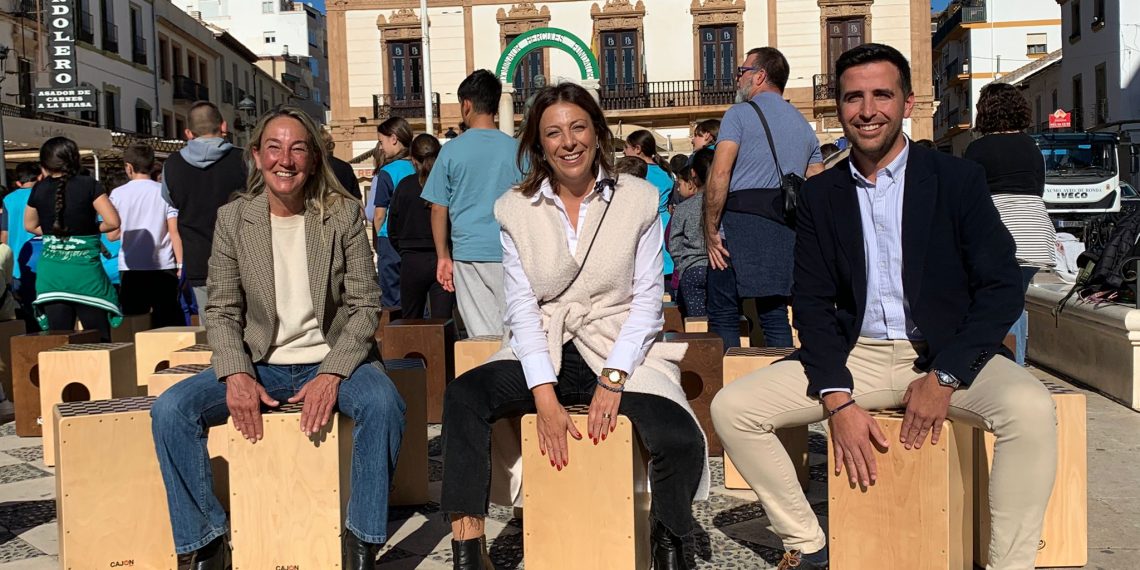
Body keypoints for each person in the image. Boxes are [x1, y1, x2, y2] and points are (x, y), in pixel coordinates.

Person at [711, 44, 1058, 570]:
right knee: (732, 409)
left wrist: (945, 376)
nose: (867, 110)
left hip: (943, 351)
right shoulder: (821, 194)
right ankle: (807, 544)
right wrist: (837, 400)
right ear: (839, 107)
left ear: (908, 103)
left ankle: (1010, 565)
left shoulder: (955, 179)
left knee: (1031, 410)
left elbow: (1001, 286)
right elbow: (811, 303)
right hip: (859, 355)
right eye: (854, 97)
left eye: (882, 95)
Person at [439, 83, 708, 570]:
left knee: (678, 436)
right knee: (464, 396)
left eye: (578, 127)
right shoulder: (515, 208)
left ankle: (668, 544)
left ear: (597, 132)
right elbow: (522, 308)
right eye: (553, 133)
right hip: (547, 342)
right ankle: (469, 549)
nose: (568, 142)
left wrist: (614, 377)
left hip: (614, 343)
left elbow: (648, 301)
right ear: (538, 144)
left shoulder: (638, 198)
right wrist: (544, 395)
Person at [150, 106, 406, 570]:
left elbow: (366, 305)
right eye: (274, 148)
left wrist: (332, 373)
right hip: (260, 361)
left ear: (313, 159)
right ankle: (206, 544)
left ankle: (361, 543)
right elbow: (221, 309)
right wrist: (235, 374)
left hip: (334, 358)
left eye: (297, 149)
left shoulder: (341, 215)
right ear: (256, 156)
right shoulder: (234, 219)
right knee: (171, 411)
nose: (284, 160)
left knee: (384, 404)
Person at [703, 47, 824, 349]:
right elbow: (818, 184)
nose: (737, 78)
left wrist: (710, 229)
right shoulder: (803, 125)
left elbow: (720, 173)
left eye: (742, 72)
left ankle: (727, 376)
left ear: (759, 76)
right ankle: (781, 374)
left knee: (724, 313)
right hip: (783, 228)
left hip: (736, 227)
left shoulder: (738, 114)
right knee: (774, 315)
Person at [422, 69, 523, 337]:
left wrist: (443, 256)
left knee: (482, 333)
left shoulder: (451, 151)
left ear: (466, 105)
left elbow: (438, 207)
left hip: (468, 251)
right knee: (517, 327)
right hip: (511, 250)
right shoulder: (517, 150)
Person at [964, 82, 1056, 366]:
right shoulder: (1032, 147)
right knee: (1015, 300)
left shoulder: (977, 149)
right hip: (1036, 232)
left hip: (999, 230)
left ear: (985, 111)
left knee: (998, 303)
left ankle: (1007, 365)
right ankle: (1015, 363)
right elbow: (1038, 189)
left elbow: (970, 196)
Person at [24, 137, 121, 339]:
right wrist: (89, 230)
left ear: (44, 164)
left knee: (59, 340)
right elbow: (113, 222)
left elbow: (30, 225)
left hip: (51, 277)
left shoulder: (38, 189)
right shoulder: (89, 185)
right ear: (75, 159)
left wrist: (56, 232)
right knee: (99, 340)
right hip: (86, 276)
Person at [162, 101, 247, 313]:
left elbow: (170, 200)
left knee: (212, 324)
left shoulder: (172, 164)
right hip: (241, 256)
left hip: (198, 259)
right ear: (223, 126)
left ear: (188, 133)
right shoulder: (244, 160)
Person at [107, 143, 184, 327]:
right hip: (163, 265)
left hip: (130, 267)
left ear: (129, 167)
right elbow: (174, 231)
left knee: (135, 323)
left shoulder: (117, 194)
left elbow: (111, 235)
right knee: (166, 322)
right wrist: (180, 264)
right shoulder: (164, 192)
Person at [389, 133, 455, 321]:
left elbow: (393, 226)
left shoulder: (404, 186)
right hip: (442, 256)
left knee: (411, 321)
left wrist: (403, 249)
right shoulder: (447, 184)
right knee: (442, 322)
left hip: (411, 259)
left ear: (413, 160)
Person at [369, 117, 415, 308]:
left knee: (392, 300)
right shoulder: (418, 167)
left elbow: (380, 213)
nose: (381, 147)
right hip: (414, 238)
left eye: (381, 141)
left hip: (389, 238)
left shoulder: (387, 172)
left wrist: (379, 237)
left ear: (394, 139)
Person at [624, 129, 675, 284]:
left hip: (647, 224)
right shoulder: (665, 171)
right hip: (666, 224)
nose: (624, 152)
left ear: (637, 149)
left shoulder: (637, 173)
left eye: (626, 147)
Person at [669, 148, 714, 318]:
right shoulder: (727, 204)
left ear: (693, 174)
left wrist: (682, 263)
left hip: (691, 268)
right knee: (724, 319)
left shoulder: (684, 208)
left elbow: (674, 242)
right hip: (720, 268)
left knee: (697, 322)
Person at [2, 161, 43, 329]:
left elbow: (4, 234)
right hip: (41, 257)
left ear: (18, 182)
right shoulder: (42, 194)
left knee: (25, 308)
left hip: (16, 262)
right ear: (39, 177)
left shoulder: (8, 199)